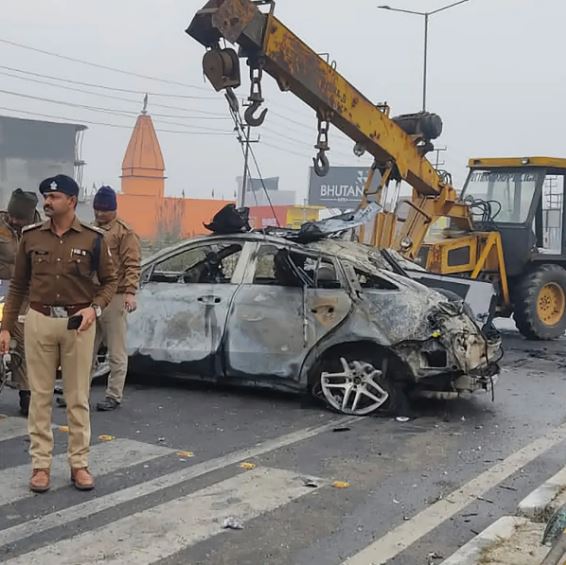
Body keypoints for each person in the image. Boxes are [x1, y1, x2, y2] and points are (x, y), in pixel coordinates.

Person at [0, 174, 117, 493]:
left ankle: (79, 464)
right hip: (38, 320)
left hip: (78, 323)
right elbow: (18, 286)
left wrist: (94, 310)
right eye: (45, 197)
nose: (47, 202)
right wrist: (6, 327)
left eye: (54, 198)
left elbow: (110, 283)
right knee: (39, 397)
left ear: (72, 201)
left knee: (78, 397)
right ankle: (40, 466)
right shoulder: (31, 236)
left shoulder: (93, 238)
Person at [91, 185, 140, 411]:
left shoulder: (124, 232)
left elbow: (132, 264)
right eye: (97, 209)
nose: (100, 214)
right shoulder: (90, 229)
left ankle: (114, 394)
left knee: (116, 350)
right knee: (85, 350)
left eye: (104, 209)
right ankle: (78, 392)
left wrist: (130, 292)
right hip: (92, 297)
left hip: (115, 296)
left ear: (114, 209)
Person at [0, 189, 41, 416]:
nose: (14, 221)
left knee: (26, 342)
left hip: (26, 295)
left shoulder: (42, 232)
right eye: (12, 217)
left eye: (19, 218)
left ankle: (26, 394)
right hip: (0, 289)